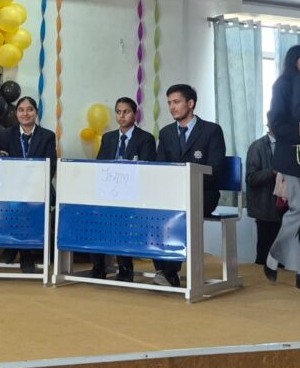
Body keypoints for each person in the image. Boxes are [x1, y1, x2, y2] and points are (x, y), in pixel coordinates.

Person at [153, 84, 226, 288]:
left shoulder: (211, 130)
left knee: (181, 214)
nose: (172, 107)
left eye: (176, 102)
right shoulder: (166, 133)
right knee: (153, 212)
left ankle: (167, 272)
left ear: (190, 103)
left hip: (203, 193)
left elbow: (215, 168)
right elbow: (160, 168)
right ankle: (164, 271)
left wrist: (188, 185)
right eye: (169, 103)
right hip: (173, 195)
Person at [264, 45, 300, 286]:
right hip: (292, 154)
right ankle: (275, 254)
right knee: (298, 209)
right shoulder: (283, 84)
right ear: (294, 60)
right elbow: (276, 122)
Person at [92, 97, 156, 281]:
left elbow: (148, 170)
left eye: (126, 112)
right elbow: (99, 166)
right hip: (108, 192)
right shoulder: (108, 138)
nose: (121, 116)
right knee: (94, 215)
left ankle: (125, 267)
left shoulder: (146, 139)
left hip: (133, 193)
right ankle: (98, 267)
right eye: (118, 112)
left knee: (121, 218)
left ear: (135, 114)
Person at [0, 96, 56, 273]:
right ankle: (22, 250)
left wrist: (32, 184)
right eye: (21, 110)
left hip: (38, 186)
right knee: (13, 203)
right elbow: (2, 164)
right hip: (13, 187)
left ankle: (19, 249)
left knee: (28, 204)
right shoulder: (6, 134)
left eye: (30, 109)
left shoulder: (47, 136)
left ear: (36, 112)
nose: (25, 113)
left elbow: (51, 165)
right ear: (16, 113)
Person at [245, 126, 284, 266]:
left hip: (287, 206)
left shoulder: (290, 144)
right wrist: (273, 172)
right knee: (264, 254)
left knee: (283, 257)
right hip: (265, 207)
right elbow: (251, 179)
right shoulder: (257, 147)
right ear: (269, 124)